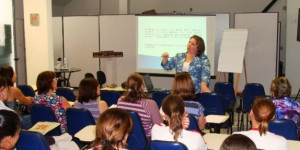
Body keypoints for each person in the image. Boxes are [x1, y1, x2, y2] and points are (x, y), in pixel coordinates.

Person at [117, 73, 162, 138]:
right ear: (142, 87)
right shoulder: (150, 104)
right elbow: (159, 126)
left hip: (126, 139)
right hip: (147, 141)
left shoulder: (120, 101)